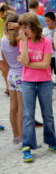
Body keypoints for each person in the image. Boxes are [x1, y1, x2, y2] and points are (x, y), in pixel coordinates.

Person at [18, 13, 56, 162]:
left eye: (26, 27)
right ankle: (27, 146)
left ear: (34, 26)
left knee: (48, 114)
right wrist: (24, 42)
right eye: (22, 27)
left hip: (44, 81)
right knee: (28, 116)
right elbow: (23, 60)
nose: (23, 30)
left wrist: (28, 64)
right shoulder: (23, 41)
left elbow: (45, 64)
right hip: (27, 82)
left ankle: (51, 142)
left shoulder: (46, 41)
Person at [1, 13, 22, 146]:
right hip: (21, 75)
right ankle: (22, 139)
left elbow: (4, 63)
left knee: (12, 107)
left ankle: (15, 134)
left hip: (11, 75)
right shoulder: (19, 40)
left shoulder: (2, 41)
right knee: (21, 108)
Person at [43, 12, 56, 89]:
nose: (47, 23)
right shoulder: (44, 31)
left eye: (48, 21)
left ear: (54, 20)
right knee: (48, 71)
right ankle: (49, 84)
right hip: (48, 56)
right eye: (45, 21)